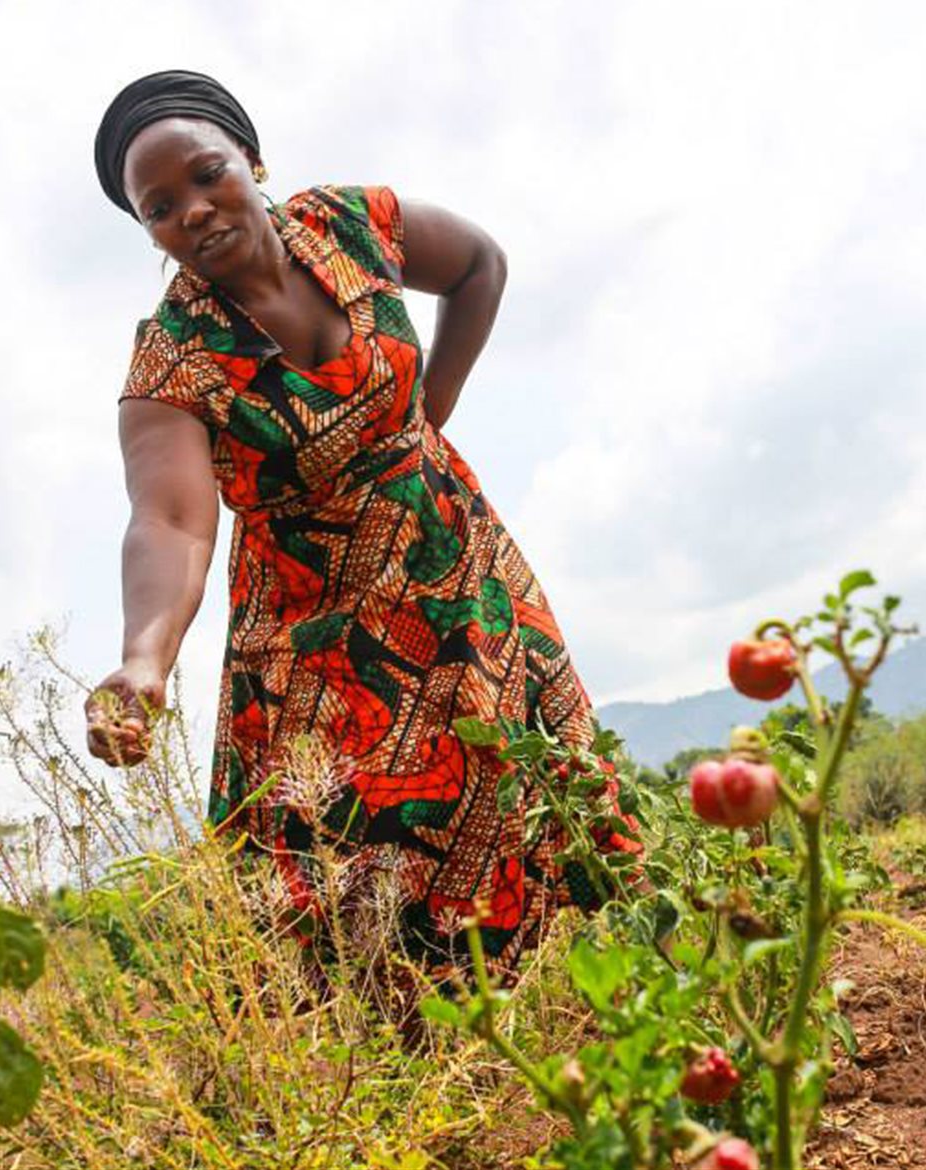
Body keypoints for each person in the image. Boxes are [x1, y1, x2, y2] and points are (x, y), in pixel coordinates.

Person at [86, 70, 637, 975]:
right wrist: (146, 658)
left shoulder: (354, 223)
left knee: (529, 775)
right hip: (318, 642)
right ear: (147, 230)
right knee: (349, 856)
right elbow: (171, 522)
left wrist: (433, 406)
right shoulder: (171, 363)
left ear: (251, 160)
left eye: (206, 172)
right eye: (159, 206)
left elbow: (477, 265)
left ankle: (578, 998)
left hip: (456, 570)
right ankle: (402, 1070)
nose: (192, 208)